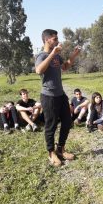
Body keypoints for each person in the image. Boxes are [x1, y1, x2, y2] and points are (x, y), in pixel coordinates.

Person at [35, 29, 81, 167]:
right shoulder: (41, 55)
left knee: (67, 122)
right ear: (47, 40)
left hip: (60, 95)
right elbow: (39, 70)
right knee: (51, 125)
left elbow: (65, 66)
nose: (57, 41)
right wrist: (52, 54)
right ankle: (51, 153)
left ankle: (60, 149)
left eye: (57, 38)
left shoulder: (56, 56)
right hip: (48, 96)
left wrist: (74, 55)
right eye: (54, 39)